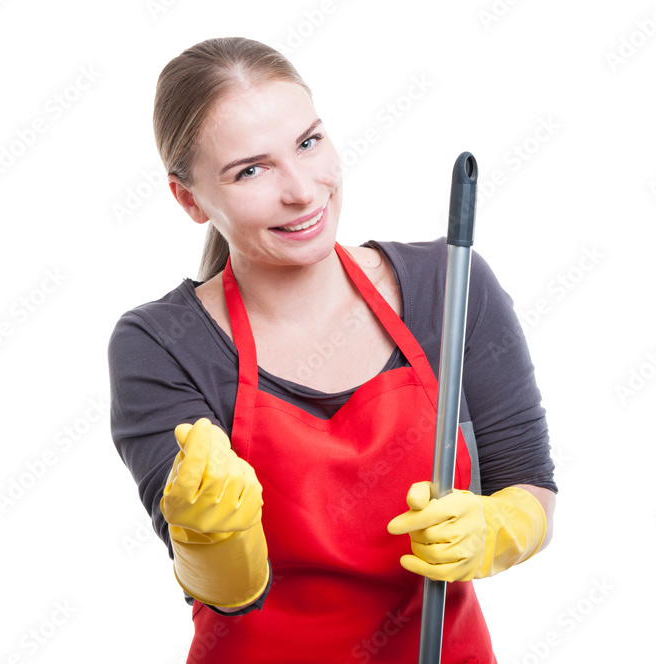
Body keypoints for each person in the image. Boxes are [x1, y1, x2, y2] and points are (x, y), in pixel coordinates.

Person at [108, 37, 557, 663]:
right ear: (188, 198)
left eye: (309, 142)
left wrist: (501, 527)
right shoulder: (163, 344)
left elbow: (529, 485)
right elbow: (222, 593)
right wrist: (212, 538)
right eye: (251, 170)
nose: (302, 190)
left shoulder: (449, 287)